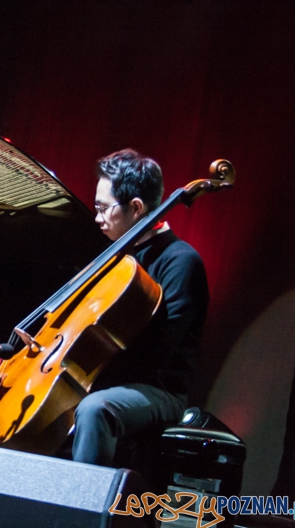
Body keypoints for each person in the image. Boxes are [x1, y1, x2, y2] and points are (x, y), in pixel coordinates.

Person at [71, 149, 209, 467]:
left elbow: (157, 353)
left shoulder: (180, 261)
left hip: (158, 390)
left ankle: (82, 513)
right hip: (109, 377)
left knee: (96, 408)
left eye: (104, 209)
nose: (97, 218)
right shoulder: (113, 259)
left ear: (136, 208)